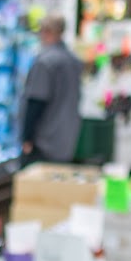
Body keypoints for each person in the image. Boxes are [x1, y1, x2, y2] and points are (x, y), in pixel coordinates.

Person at [18, 14, 83, 165]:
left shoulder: (45, 63)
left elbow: (36, 102)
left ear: (46, 32)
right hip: (66, 139)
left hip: (45, 141)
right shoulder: (73, 60)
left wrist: (27, 138)